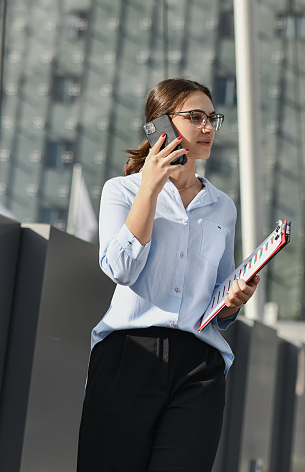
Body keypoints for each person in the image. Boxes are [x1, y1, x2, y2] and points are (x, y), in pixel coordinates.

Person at [77, 78, 259, 472]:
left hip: (200, 365)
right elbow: (121, 269)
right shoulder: (122, 191)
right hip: (129, 353)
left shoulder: (222, 207)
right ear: (160, 124)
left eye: (212, 118)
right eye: (195, 117)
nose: (208, 127)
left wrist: (234, 300)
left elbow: (218, 306)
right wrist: (150, 188)